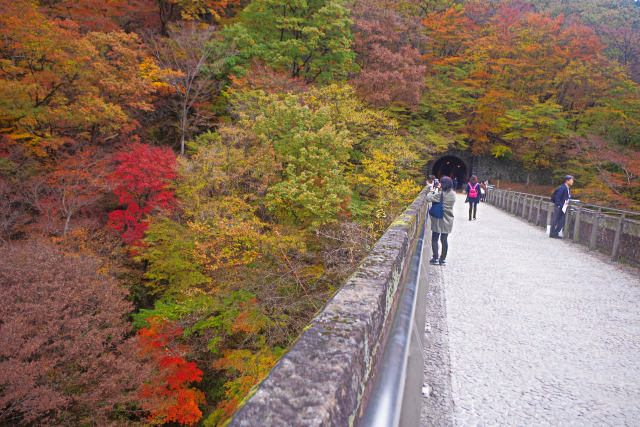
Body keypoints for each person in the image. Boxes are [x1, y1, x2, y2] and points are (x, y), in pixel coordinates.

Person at [427, 176, 456, 266]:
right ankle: (442, 260)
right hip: (448, 220)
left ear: (443, 184)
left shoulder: (441, 194)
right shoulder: (453, 194)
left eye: (440, 183)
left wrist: (432, 190)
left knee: (435, 238)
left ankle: (435, 258)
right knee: (444, 240)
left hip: (439, 219)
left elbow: (428, 198)